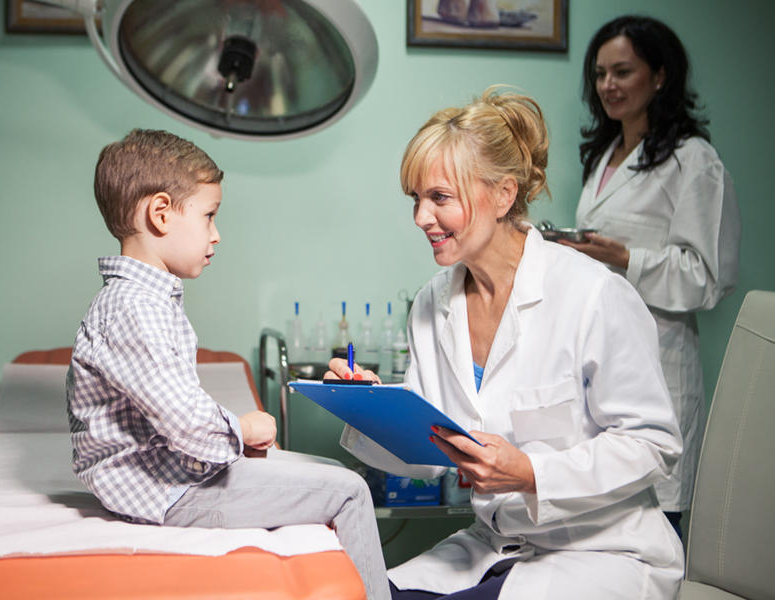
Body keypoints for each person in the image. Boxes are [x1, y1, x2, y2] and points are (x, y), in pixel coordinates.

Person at [330, 89, 685, 599]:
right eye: (416, 199)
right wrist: (370, 408)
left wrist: (531, 472)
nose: (421, 219)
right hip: (493, 546)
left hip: (601, 553)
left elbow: (653, 445)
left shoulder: (593, 294)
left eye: (440, 198)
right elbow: (428, 454)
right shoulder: (434, 304)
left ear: (502, 195)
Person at [66, 128, 390, 600]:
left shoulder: (140, 300)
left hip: (171, 476)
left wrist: (235, 441)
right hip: (168, 493)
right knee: (350, 492)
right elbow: (186, 423)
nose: (217, 235)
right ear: (160, 214)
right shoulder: (135, 308)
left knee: (327, 470)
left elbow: (168, 405)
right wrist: (243, 430)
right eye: (209, 216)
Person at [563, 15, 740, 534]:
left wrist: (625, 258)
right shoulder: (604, 156)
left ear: (660, 76)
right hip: (596, 360)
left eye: (623, 71)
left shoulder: (694, 162)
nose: (608, 86)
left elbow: (709, 278)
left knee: (653, 527)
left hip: (659, 362)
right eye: (599, 74)